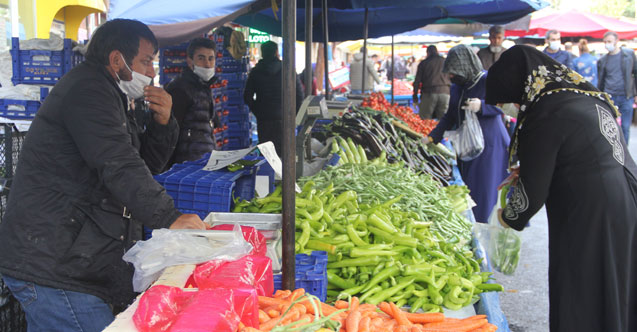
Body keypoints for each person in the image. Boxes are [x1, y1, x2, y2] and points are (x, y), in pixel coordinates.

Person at [0, 19, 206, 332]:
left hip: (68, 259)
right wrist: (169, 215)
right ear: (116, 60)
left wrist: (163, 125)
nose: (152, 71)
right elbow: (118, 163)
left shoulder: (114, 95)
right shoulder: (88, 91)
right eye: (146, 61)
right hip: (53, 263)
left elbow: (142, 166)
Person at [485, 45, 637, 332]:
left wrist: (508, 217)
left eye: (510, 101)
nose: (512, 108)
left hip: (590, 212)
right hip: (624, 200)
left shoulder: (545, 112)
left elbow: (532, 195)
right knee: (616, 284)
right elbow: (577, 151)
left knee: (583, 288)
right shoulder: (580, 94)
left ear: (520, 86)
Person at [427, 44, 510, 223]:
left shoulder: (488, 80)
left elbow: (506, 105)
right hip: (466, 142)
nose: (450, 76)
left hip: (489, 142)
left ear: (465, 67)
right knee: (470, 186)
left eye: (454, 72)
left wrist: (483, 106)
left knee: (484, 188)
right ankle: (472, 223)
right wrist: (434, 136)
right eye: (450, 72)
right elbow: (450, 114)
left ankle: (482, 226)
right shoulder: (457, 86)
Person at [164, 37, 218, 169]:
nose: (207, 64)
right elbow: (171, 131)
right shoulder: (180, 89)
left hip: (203, 160)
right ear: (190, 61)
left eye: (211, 58)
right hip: (187, 165)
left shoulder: (203, 87)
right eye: (201, 58)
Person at [244, 41, 304, 156]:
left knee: (267, 155)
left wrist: (258, 111)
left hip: (264, 119)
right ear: (276, 52)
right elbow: (299, 95)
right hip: (285, 118)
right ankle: (285, 174)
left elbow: (247, 97)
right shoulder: (288, 70)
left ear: (262, 53)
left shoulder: (255, 72)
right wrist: (293, 114)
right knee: (285, 155)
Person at [597, 31, 637, 144]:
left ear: (616, 41)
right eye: (605, 42)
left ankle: (625, 154)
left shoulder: (628, 55)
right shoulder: (602, 60)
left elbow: (635, 73)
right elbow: (601, 81)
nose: (607, 44)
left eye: (609, 41)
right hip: (610, 96)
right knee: (609, 127)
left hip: (626, 96)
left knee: (625, 127)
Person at [412, 45, 451, 120]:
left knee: (425, 120)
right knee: (443, 121)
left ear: (428, 53)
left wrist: (415, 98)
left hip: (429, 93)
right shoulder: (445, 62)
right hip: (445, 93)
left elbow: (417, 81)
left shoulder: (424, 63)